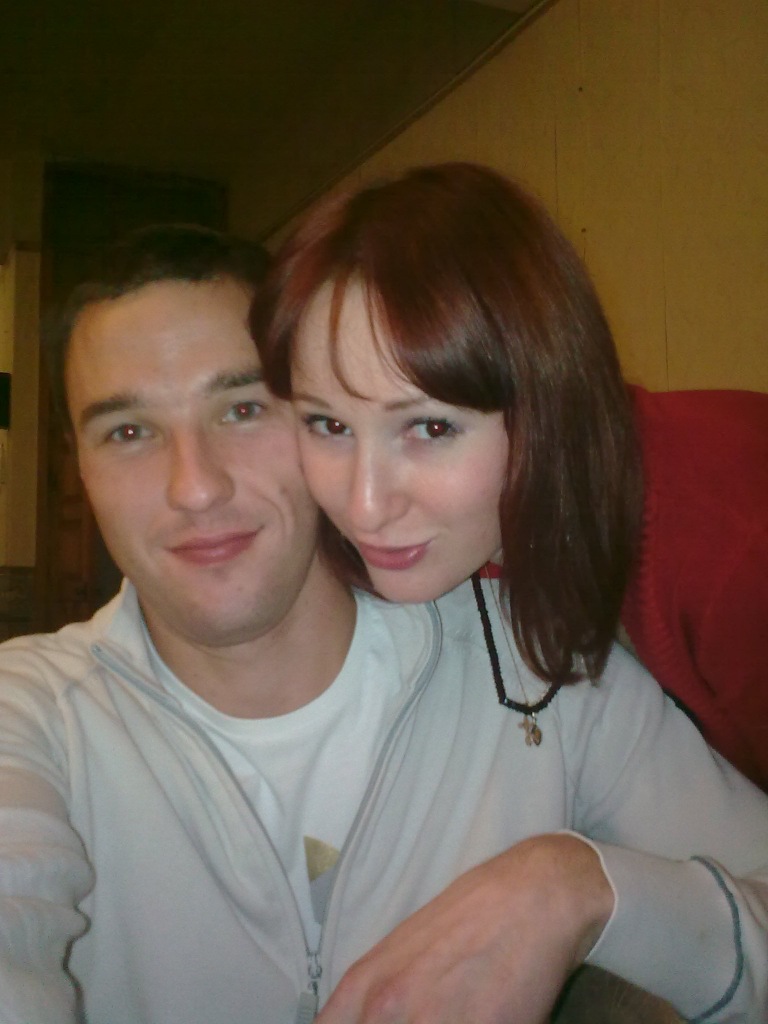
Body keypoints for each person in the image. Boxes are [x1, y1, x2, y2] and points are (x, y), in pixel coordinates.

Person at [0, 225, 766, 1024]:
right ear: (77, 466)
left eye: (243, 409)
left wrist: (579, 889)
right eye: (127, 432)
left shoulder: (536, 663)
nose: (194, 487)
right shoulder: (29, 713)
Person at [252, 160, 768, 790]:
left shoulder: (733, 535)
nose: (365, 508)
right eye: (329, 425)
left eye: (430, 428)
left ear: (547, 395)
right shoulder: (474, 540)